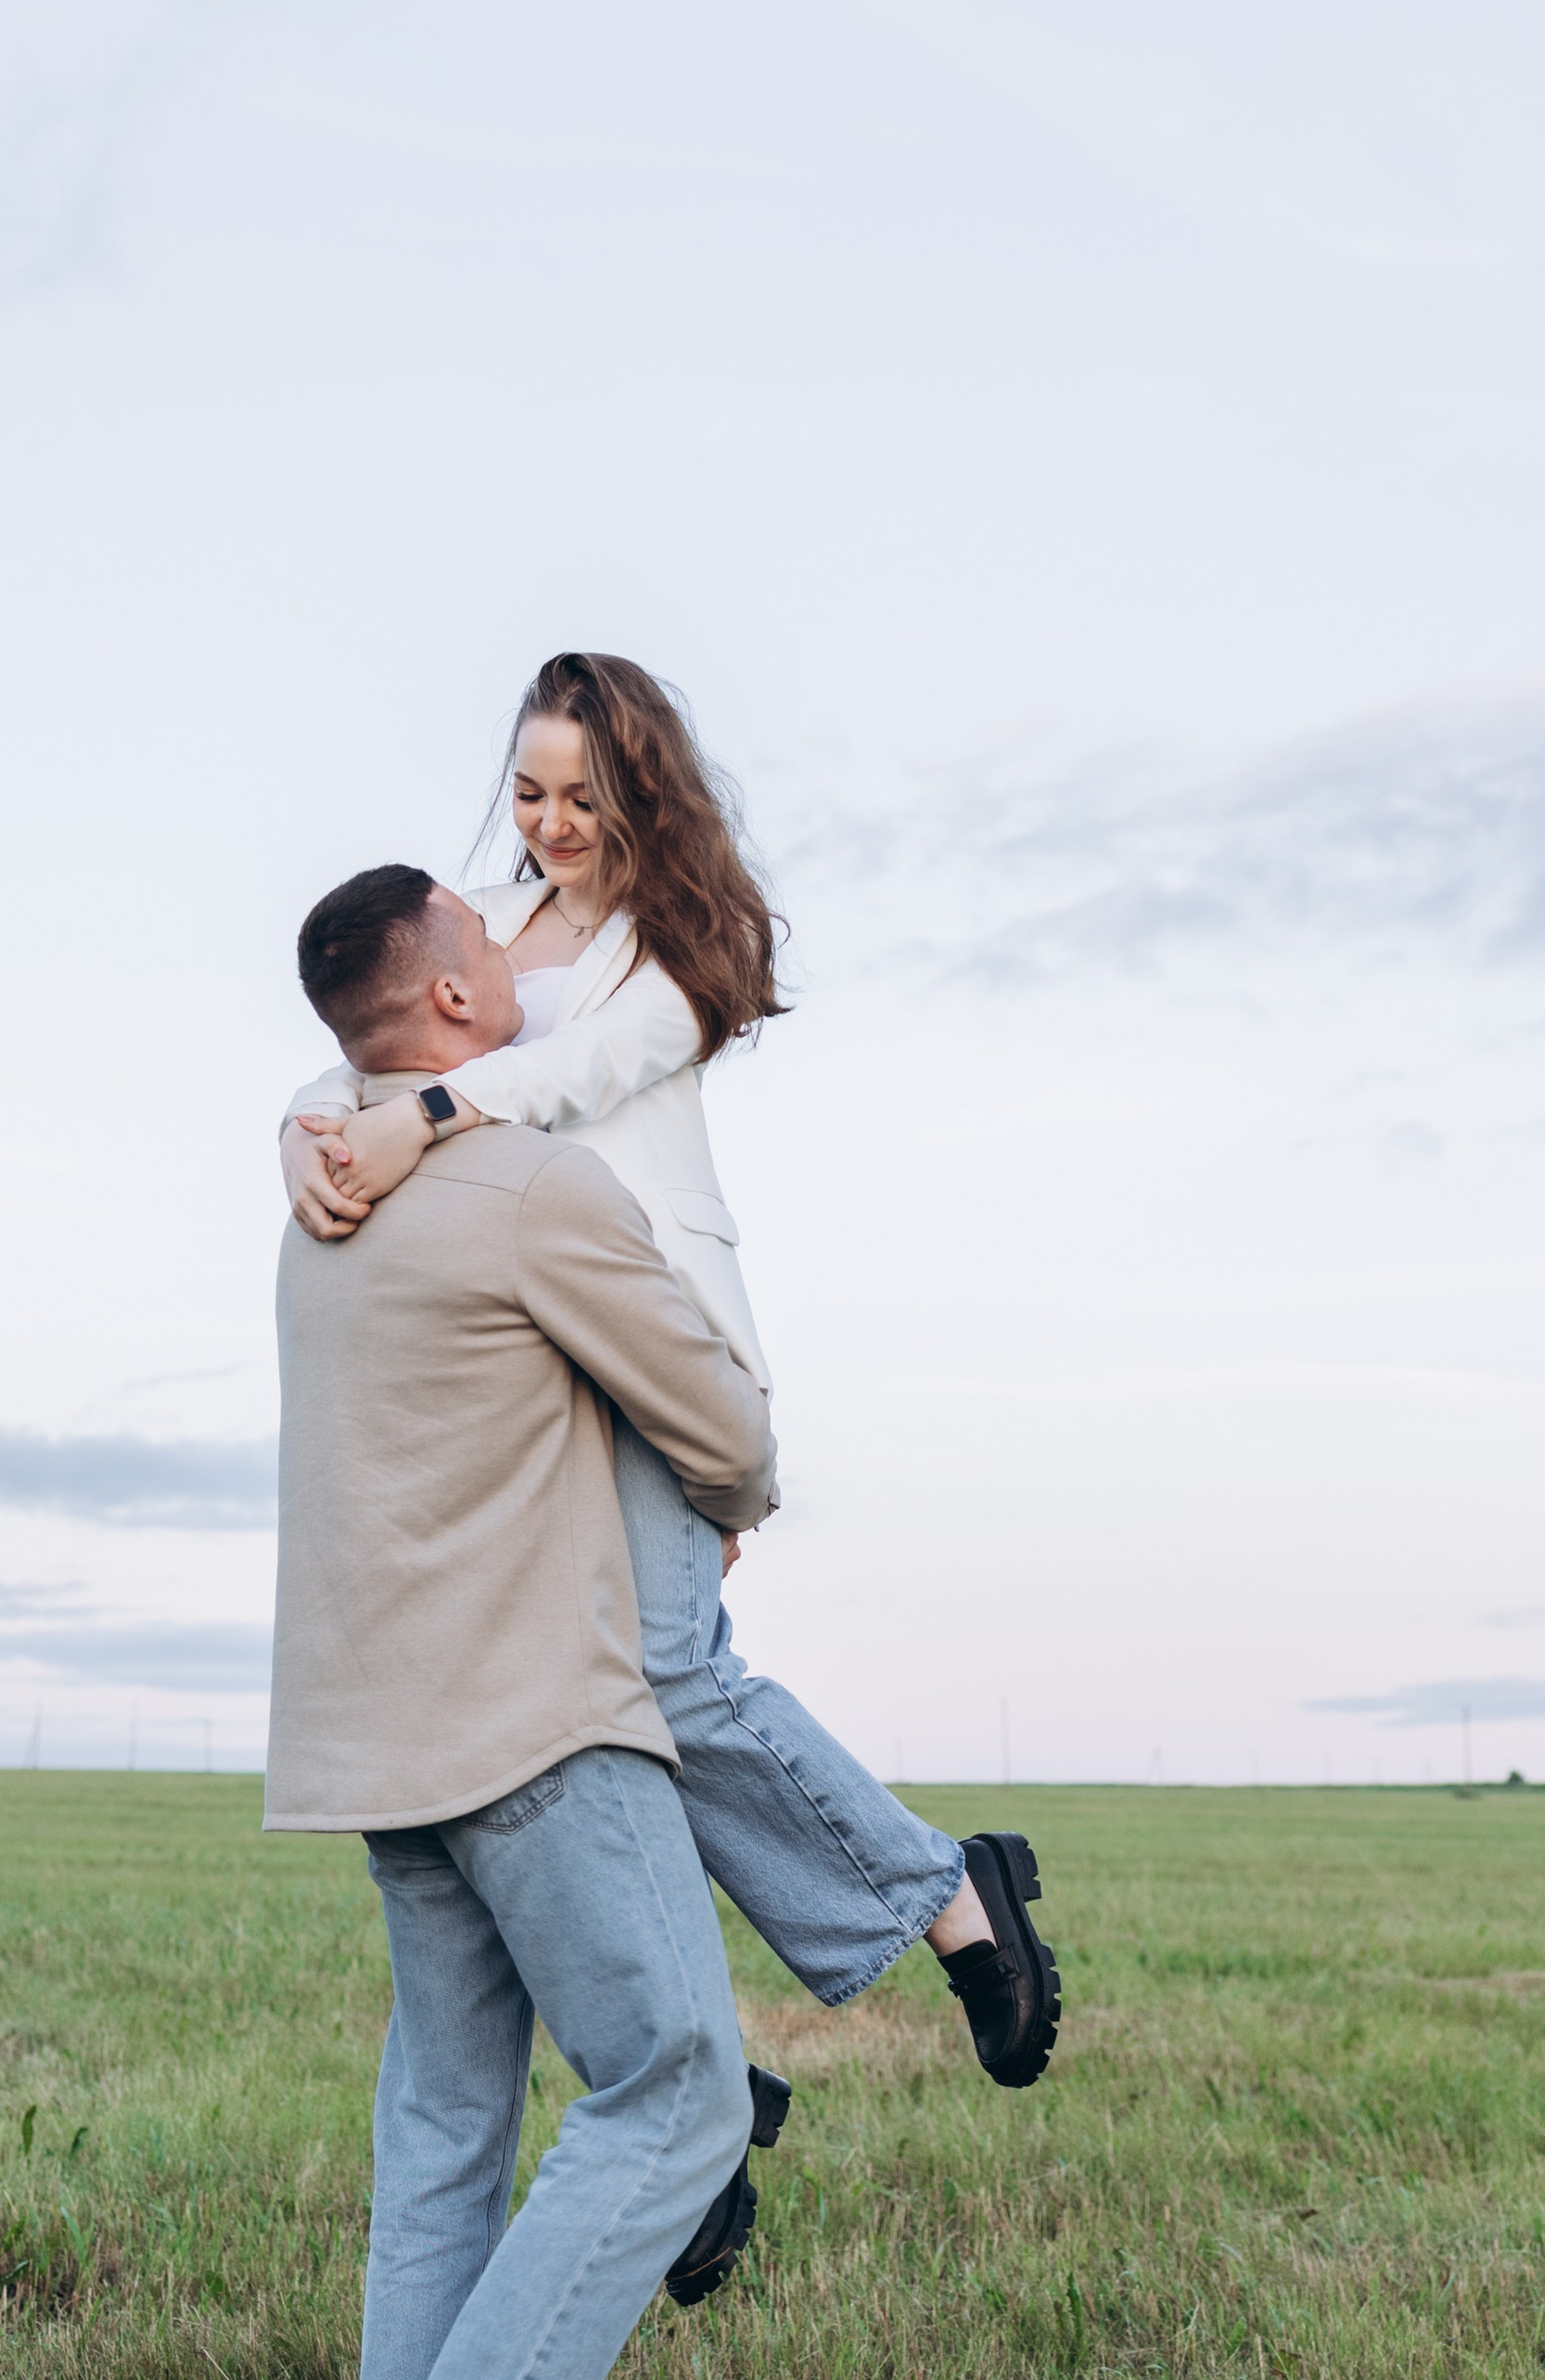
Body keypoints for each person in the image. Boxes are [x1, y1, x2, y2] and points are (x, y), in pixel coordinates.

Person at [278, 653, 1058, 2090]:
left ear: (643, 789)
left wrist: (424, 1113)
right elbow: (365, 1043)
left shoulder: (677, 948)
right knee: (549, 1725)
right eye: (528, 791)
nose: (552, 822)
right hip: (508, 1359)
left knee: (669, 1684)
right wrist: (308, 1128)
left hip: (645, 1335)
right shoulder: (483, 922)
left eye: (584, 793)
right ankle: (684, 2072)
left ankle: (951, 1904)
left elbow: (566, 1080)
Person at [269, 865, 784, 2380]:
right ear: (461, 1009)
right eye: (492, 945)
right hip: (538, 1726)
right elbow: (722, 1420)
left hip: (380, 1743)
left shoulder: (317, 1204)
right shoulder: (529, 1184)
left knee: (442, 2142)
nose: (521, 946)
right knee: (672, 2091)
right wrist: (725, 1505)